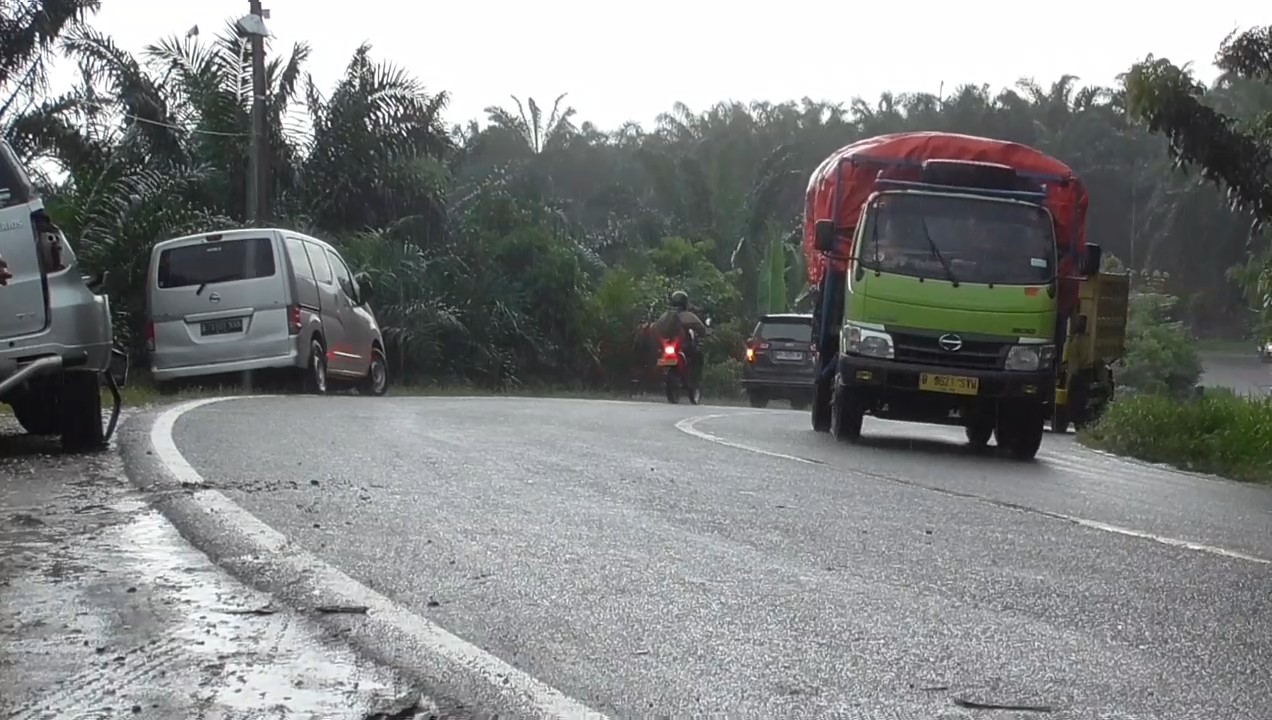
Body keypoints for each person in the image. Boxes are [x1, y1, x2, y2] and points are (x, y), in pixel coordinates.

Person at [653, 290, 708, 384]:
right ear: (685, 302)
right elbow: (701, 329)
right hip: (682, 347)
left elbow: (655, 328)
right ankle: (695, 379)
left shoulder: (665, 316)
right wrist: (704, 334)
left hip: (665, 346)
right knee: (698, 355)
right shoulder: (688, 316)